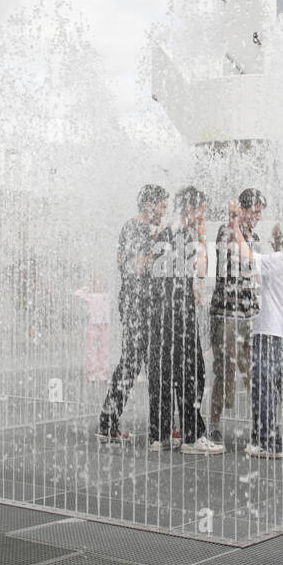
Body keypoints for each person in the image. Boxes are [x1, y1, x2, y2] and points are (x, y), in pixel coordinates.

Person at [148, 187, 223, 453]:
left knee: (165, 371)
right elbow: (201, 270)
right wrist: (202, 235)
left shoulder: (164, 231)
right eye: (201, 211)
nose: (202, 216)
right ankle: (192, 437)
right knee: (193, 372)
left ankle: (160, 434)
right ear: (190, 210)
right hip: (180, 314)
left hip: (161, 314)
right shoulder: (183, 234)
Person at [97, 184, 168, 441]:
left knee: (137, 362)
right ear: (149, 205)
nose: (164, 211)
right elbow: (133, 265)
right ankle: (150, 428)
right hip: (138, 304)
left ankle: (112, 423)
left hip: (138, 303)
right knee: (135, 363)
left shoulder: (134, 228)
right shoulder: (137, 228)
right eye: (161, 206)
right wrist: (158, 248)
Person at [240, 220, 283, 458]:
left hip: (269, 331)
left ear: (276, 240)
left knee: (264, 388)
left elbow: (247, 258)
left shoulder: (278, 259)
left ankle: (269, 443)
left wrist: (234, 227)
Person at [208, 187, 265, 446]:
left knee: (253, 370)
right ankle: (215, 424)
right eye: (254, 211)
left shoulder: (256, 237)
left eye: (261, 212)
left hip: (248, 315)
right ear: (241, 211)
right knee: (225, 369)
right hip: (226, 315)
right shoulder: (227, 230)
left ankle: (260, 424)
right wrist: (232, 220)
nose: (259, 216)